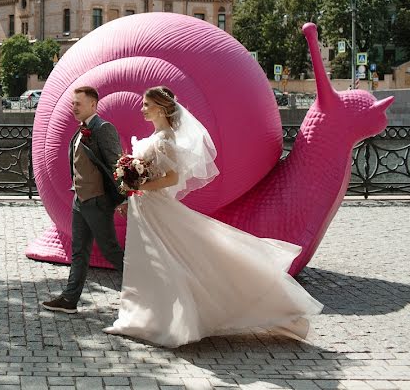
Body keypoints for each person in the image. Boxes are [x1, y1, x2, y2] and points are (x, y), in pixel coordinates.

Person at [103, 86, 323, 347]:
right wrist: (131, 191)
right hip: (145, 207)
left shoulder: (165, 140)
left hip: (157, 208)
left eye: (147, 105)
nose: (142, 109)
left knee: (170, 261)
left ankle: (165, 322)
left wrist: (138, 186)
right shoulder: (155, 137)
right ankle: (143, 318)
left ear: (161, 108)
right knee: (148, 262)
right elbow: (149, 175)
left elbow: (171, 178)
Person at [41, 86, 125, 314]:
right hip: (80, 200)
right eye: (72, 103)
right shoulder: (80, 131)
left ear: (93, 105)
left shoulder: (103, 128)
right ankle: (70, 299)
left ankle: (145, 289)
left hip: (97, 201)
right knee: (79, 251)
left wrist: (123, 198)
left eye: (78, 103)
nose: (73, 107)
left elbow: (116, 165)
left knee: (110, 251)